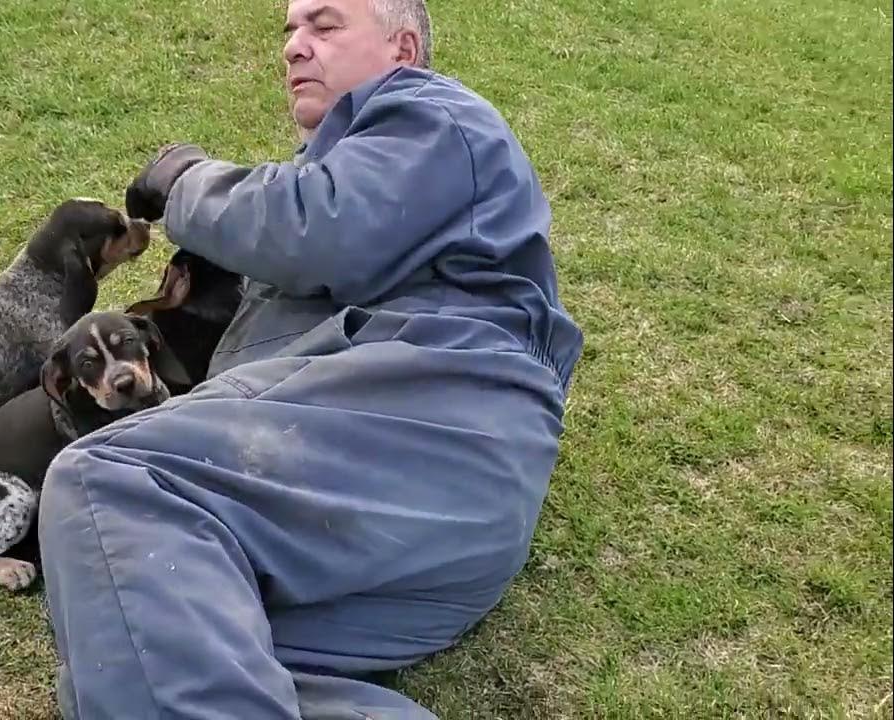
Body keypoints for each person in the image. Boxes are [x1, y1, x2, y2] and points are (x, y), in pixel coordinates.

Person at [37, 0, 584, 717]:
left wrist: (188, 181)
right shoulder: (357, 178)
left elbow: (316, 226)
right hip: (392, 525)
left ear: (404, 48)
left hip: (433, 419)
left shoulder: (436, 115)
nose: (294, 47)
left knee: (107, 480)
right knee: (133, 638)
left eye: (324, 26)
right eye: (289, 31)